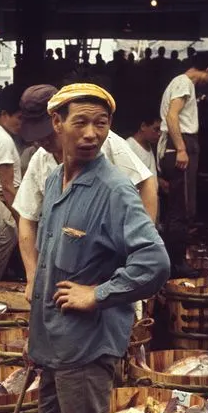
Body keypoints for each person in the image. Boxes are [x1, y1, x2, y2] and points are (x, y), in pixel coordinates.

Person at [27, 83, 170, 413]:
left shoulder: (115, 190)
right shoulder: (53, 182)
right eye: (81, 123)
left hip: (85, 347)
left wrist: (99, 293)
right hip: (52, 343)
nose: (92, 134)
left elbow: (154, 262)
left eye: (101, 124)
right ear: (56, 123)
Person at [15, 85, 156, 301]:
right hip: (61, 275)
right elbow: (27, 217)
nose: (41, 142)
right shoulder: (43, 162)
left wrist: (135, 250)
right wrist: (33, 276)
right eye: (36, 137)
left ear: (59, 123)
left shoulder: (106, 145)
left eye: (45, 136)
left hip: (105, 273)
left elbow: (146, 182)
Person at [159, 52, 208, 274]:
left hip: (178, 144)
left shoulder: (178, 83)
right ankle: (176, 264)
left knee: (177, 207)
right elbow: (172, 116)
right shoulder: (184, 83)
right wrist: (181, 148)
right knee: (181, 208)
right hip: (180, 145)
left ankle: (172, 261)